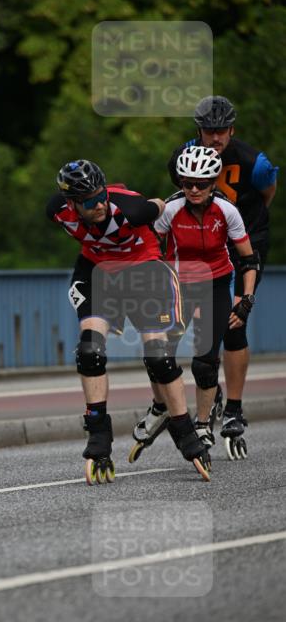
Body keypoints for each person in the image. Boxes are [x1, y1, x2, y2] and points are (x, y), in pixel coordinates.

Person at [46, 158, 212, 485]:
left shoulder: (130, 209)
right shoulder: (57, 210)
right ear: (72, 204)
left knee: (159, 358)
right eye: (89, 202)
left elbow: (161, 205)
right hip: (98, 272)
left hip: (144, 269)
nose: (99, 205)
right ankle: (98, 435)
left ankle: (185, 432)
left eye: (101, 196)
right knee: (89, 352)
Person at [130, 146, 258, 462]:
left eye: (201, 184)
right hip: (178, 287)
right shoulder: (171, 209)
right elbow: (148, 248)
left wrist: (246, 300)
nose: (194, 189)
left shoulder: (227, 211)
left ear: (213, 183)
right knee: (156, 355)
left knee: (204, 362)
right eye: (187, 183)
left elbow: (248, 259)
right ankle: (161, 407)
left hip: (216, 285)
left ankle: (202, 426)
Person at [167, 96, 278, 453]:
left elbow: (267, 193)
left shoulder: (254, 162)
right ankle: (209, 388)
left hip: (246, 240)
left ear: (232, 129)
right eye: (208, 131)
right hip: (205, 242)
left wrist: (240, 224)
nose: (215, 138)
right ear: (198, 130)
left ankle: (234, 409)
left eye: (222, 131)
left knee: (235, 321)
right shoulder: (183, 156)